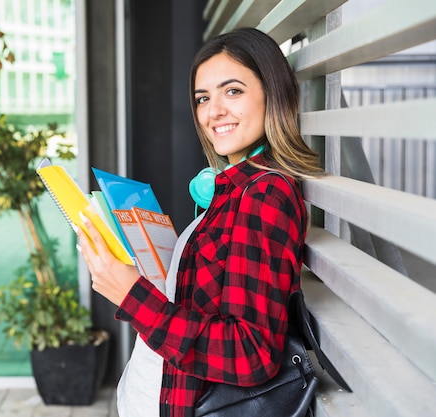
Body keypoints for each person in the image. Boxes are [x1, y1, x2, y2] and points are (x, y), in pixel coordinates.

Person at [75, 27, 323, 417]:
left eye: (233, 91)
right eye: (203, 98)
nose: (214, 111)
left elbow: (251, 353)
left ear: (273, 95)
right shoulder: (227, 187)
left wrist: (133, 297)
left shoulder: (264, 194)